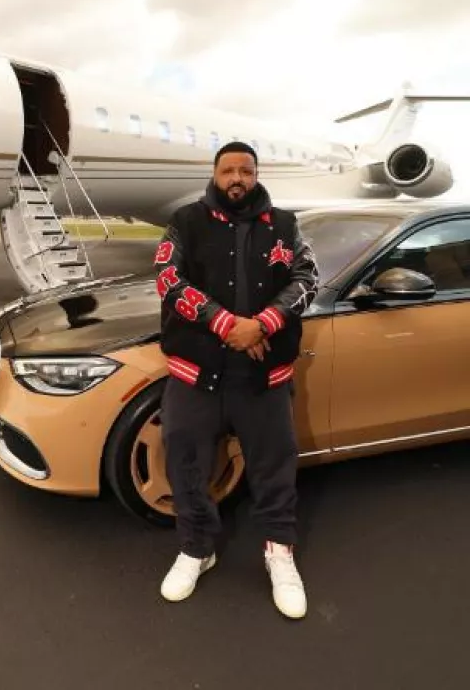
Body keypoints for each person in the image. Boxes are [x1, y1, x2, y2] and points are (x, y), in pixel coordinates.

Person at [154, 141, 319, 619]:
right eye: (228, 170)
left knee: (274, 468)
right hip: (196, 374)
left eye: (246, 171)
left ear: (256, 175)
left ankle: (279, 552)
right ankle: (196, 548)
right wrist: (226, 324)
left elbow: (308, 278)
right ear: (215, 174)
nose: (237, 179)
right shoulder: (185, 221)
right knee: (186, 465)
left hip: (263, 377)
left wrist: (263, 324)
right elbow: (167, 277)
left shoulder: (285, 225)